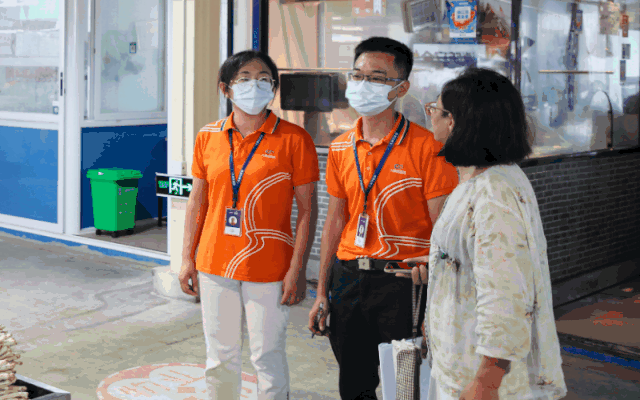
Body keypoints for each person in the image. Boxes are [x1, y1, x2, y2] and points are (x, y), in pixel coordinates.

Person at [308, 37, 459, 400]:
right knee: (353, 386)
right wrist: (322, 291)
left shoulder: (429, 148)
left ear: (401, 88)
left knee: (405, 388)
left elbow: (444, 231)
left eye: (377, 78)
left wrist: (437, 297)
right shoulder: (341, 147)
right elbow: (335, 222)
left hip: (403, 283)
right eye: (358, 75)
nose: (363, 85)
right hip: (348, 280)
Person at [404, 67, 567, 400]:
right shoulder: (478, 180)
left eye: (435, 109)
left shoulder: (493, 193)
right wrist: (441, 263)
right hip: (461, 364)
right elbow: (481, 257)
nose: (430, 115)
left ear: (454, 121)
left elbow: (506, 292)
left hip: (482, 379)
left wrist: (487, 379)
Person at [180, 50, 319, 400]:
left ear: (273, 87)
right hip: (214, 263)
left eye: (263, 79)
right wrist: (186, 258)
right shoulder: (208, 136)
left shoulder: (294, 139)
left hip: (270, 267)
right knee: (220, 357)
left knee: (267, 355)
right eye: (244, 78)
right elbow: (197, 202)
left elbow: (307, 211)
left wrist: (298, 268)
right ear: (225, 89)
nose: (254, 85)